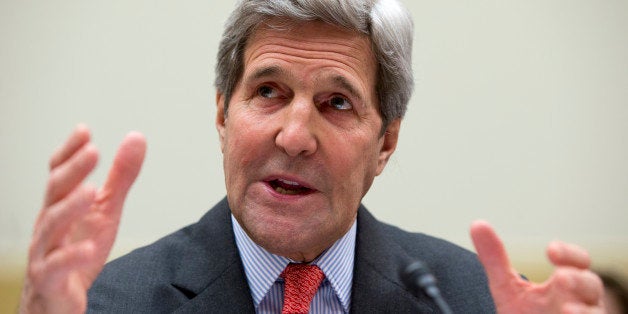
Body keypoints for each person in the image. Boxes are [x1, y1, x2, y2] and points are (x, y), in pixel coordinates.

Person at [20, 0, 605, 313]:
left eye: (337, 102)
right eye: (268, 92)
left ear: (386, 144)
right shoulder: (106, 305)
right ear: (223, 115)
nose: (295, 136)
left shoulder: (472, 303)